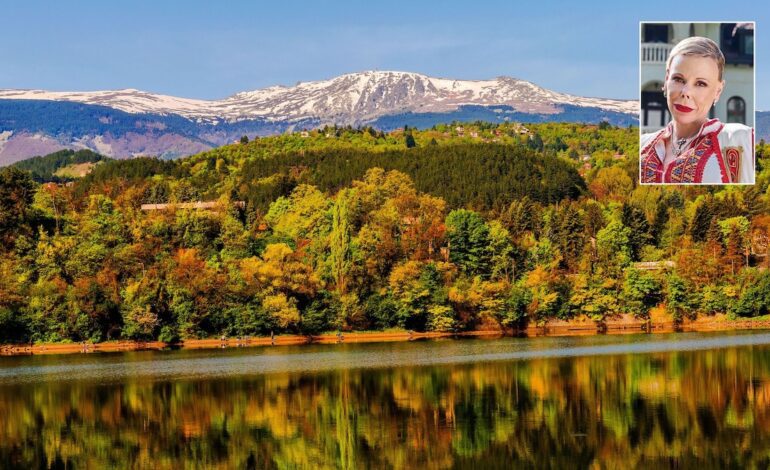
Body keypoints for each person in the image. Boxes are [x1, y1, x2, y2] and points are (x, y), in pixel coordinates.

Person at [640, 36, 754, 184]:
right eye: (678, 79)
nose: (686, 92)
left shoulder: (738, 139)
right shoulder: (643, 144)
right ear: (666, 80)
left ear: (718, 91)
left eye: (700, 83)